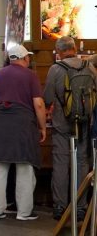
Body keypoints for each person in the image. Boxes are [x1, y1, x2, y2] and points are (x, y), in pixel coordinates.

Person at [0, 44, 46, 221]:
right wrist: (42, 127)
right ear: (24, 58)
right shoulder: (30, 76)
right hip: (22, 125)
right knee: (24, 167)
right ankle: (24, 212)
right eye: (28, 57)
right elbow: (39, 104)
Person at [44, 36, 97, 219]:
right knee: (82, 162)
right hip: (84, 123)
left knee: (61, 163)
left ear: (59, 52)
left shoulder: (55, 69)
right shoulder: (88, 67)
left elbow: (48, 97)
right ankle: (81, 207)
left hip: (61, 123)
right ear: (74, 48)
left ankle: (60, 206)